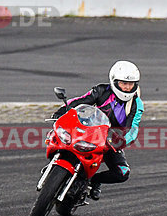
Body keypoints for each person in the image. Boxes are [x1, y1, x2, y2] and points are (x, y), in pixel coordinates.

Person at [51, 60, 143, 200]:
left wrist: (122, 141)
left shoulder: (136, 103)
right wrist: (62, 110)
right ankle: (55, 165)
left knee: (123, 173)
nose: (126, 87)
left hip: (111, 140)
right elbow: (81, 100)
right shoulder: (102, 90)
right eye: (123, 83)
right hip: (87, 129)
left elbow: (133, 128)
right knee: (59, 136)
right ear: (114, 81)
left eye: (130, 84)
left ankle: (94, 180)